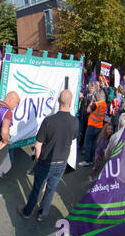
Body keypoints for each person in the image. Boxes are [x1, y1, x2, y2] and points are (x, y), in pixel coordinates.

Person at [18, 90, 79, 221]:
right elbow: (72, 138)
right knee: (51, 190)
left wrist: (38, 160)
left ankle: (27, 212)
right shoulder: (75, 122)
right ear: (70, 103)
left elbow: (38, 144)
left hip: (46, 162)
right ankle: (42, 215)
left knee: (38, 188)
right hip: (62, 162)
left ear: (58, 101)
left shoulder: (49, 121)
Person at [79, 90, 107, 167]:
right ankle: (91, 160)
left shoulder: (95, 104)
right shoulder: (104, 103)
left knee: (88, 143)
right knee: (94, 144)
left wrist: (91, 103)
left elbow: (88, 110)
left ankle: (87, 160)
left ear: (98, 96)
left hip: (92, 125)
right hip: (99, 126)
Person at [79, 82, 97, 148]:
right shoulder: (86, 94)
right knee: (82, 131)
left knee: (88, 132)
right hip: (83, 115)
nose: (91, 89)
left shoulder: (94, 97)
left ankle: (85, 146)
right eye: (90, 88)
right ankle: (80, 144)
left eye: (92, 88)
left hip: (90, 116)